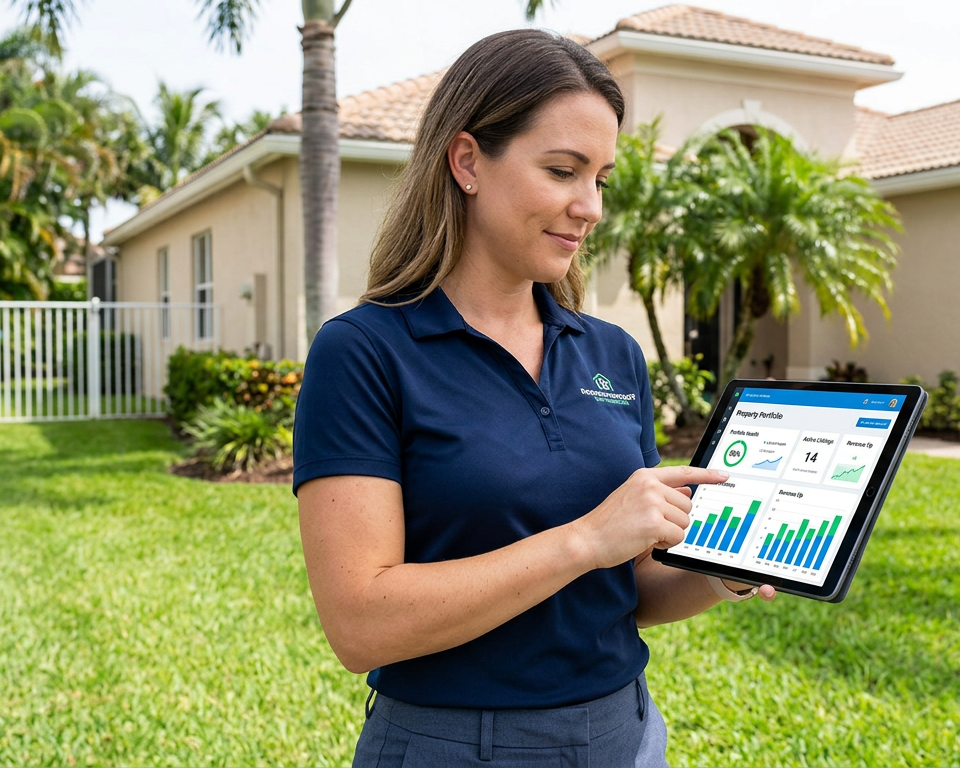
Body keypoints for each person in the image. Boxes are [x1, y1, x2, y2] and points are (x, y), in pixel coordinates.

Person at [292, 28, 776, 768]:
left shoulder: (612, 354)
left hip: (624, 733)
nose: (590, 207)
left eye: (601, 179)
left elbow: (627, 588)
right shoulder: (364, 352)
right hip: (454, 746)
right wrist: (585, 538)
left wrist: (721, 572)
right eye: (562, 171)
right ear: (466, 162)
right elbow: (360, 624)